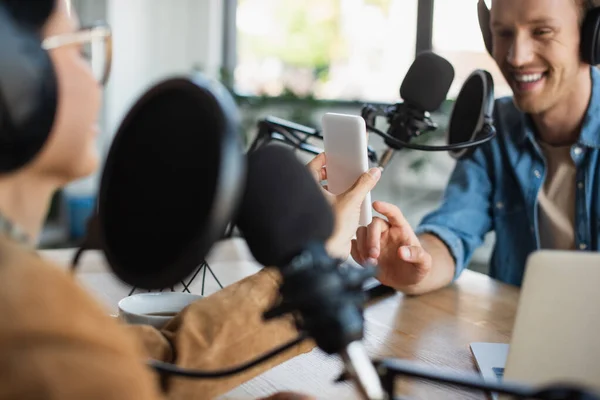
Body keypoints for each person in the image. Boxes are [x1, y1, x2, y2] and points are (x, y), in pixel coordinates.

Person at [0, 1, 379, 399]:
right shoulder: (19, 303)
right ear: (14, 84)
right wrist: (312, 262)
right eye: (79, 51)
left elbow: (152, 363)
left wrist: (304, 272)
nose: (96, 80)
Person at [345, 0, 600, 294]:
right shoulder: (496, 127)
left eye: (542, 32)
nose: (516, 57)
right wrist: (416, 263)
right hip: (519, 331)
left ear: (592, 35)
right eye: (502, 33)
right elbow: (454, 228)